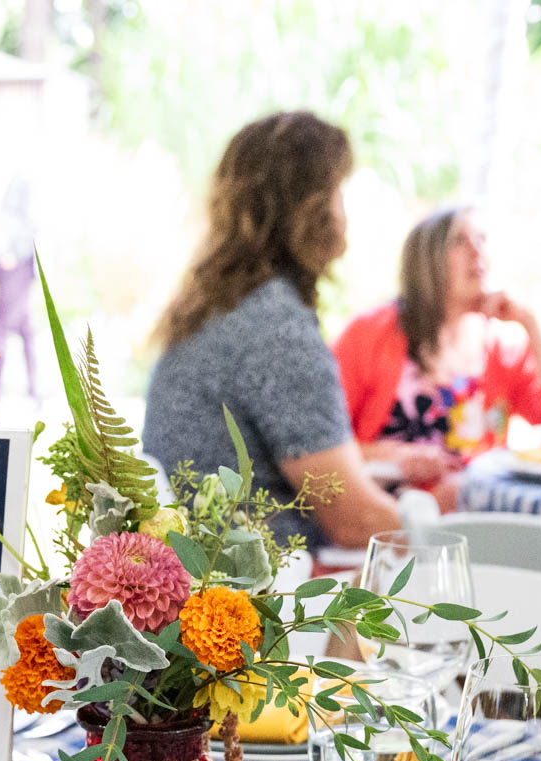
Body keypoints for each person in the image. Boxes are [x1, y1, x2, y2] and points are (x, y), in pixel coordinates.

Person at [143, 112, 401, 552]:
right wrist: (438, 519)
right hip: (264, 594)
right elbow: (355, 521)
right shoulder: (274, 326)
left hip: (201, 572)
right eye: (338, 191)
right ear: (312, 208)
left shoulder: (218, 307)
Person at [332, 206, 541, 510]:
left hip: (474, 516)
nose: (478, 251)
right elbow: (317, 450)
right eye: (459, 241)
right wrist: (391, 455)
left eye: (482, 239)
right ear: (425, 261)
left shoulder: (502, 346)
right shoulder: (368, 335)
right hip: (387, 518)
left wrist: (532, 326)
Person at [0, 172, 39, 408]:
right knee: (21, 332)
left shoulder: (17, 217)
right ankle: (23, 392)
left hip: (18, 273)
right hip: (17, 272)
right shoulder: (15, 217)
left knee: (6, 330)